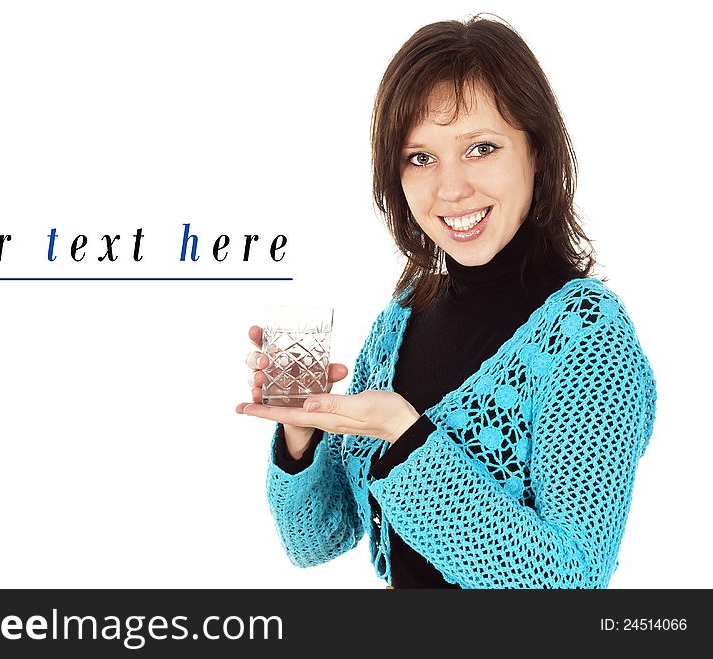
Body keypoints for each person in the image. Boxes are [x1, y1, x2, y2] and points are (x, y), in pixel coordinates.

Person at [235, 15, 657, 589]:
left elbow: (571, 584)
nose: (451, 189)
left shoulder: (588, 335)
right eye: (420, 157)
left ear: (537, 151)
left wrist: (409, 440)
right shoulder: (399, 323)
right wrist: (300, 434)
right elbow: (318, 537)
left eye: (481, 148)